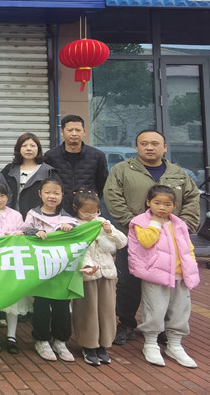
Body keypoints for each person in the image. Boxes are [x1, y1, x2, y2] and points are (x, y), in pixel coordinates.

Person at [103, 130, 200, 345]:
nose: (149, 147)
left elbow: (192, 199)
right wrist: (134, 225)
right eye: (144, 143)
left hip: (170, 241)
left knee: (168, 283)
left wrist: (183, 226)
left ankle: (164, 327)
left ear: (164, 147)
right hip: (133, 239)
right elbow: (113, 197)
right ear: (136, 147)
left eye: (155, 144)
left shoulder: (178, 173)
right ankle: (126, 323)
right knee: (128, 283)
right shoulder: (122, 170)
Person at [128, 185, 199, 368]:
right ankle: (150, 343)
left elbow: (188, 248)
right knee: (155, 309)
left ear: (174, 205)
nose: (162, 207)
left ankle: (175, 344)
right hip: (155, 275)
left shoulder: (179, 224)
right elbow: (146, 242)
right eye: (157, 203)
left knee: (180, 310)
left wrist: (191, 266)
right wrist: (155, 223)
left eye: (167, 204)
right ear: (148, 202)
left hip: (180, 275)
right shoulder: (141, 222)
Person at [20, 177, 78, 362]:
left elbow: (79, 236)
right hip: (41, 269)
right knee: (42, 304)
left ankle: (60, 340)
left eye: (56, 193)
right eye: (47, 192)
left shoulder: (68, 218)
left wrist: (71, 228)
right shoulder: (33, 215)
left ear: (62, 195)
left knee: (62, 305)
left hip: (62, 270)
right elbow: (22, 232)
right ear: (40, 194)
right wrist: (33, 232)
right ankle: (42, 339)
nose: (52, 196)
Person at [70, 190, 126, 367]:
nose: (91, 216)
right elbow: (78, 250)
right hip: (88, 275)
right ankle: (89, 345)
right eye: (86, 213)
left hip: (107, 272)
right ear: (75, 208)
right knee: (87, 311)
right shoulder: (74, 225)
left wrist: (110, 232)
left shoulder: (102, 222)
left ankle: (104, 344)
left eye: (95, 212)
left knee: (107, 310)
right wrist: (87, 266)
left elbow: (122, 242)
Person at [0, 180, 27, 354]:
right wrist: (6, 234)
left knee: (13, 297)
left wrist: (14, 235)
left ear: (8, 197)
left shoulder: (16, 215)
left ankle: (11, 335)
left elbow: (23, 233)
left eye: (2, 195)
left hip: (13, 262)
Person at [43, 115, 109, 215]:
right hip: (59, 210)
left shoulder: (97, 156)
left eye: (78, 130)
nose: (74, 133)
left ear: (84, 132)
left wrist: (92, 200)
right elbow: (47, 183)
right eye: (70, 130)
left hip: (88, 211)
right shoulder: (51, 156)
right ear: (62, 132)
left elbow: (102, 184)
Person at [1, 132, 58, 219]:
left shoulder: (49, 172)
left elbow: (58, 197)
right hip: (11, 220)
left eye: (32, 146)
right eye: (24, 146)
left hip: (39, 220)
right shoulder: (9, 170)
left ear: (38, 149)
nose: (28, 149)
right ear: (18, 149)